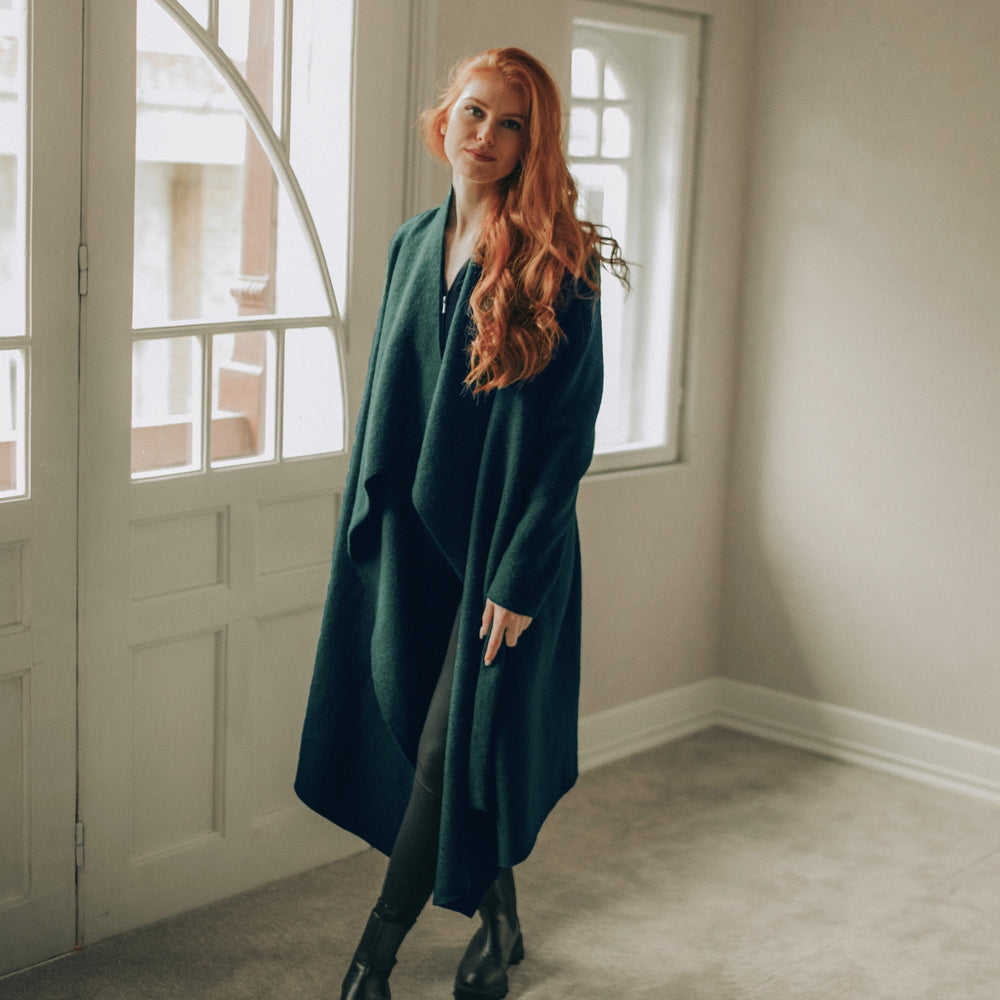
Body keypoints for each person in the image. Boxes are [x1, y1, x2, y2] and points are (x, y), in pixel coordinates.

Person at [295, 46, 628, 1000]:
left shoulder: (565, 260)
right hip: (413, 543)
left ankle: (373, 961)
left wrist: (521, 577)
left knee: (454, 742)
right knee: (433, 735)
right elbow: (387, 406)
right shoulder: (411, 243)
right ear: (444, 119)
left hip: (502, 548)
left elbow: (567, 437)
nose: (485, 135)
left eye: (510, 122)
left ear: (534, 141)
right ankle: (503, 917)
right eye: (474, 113)